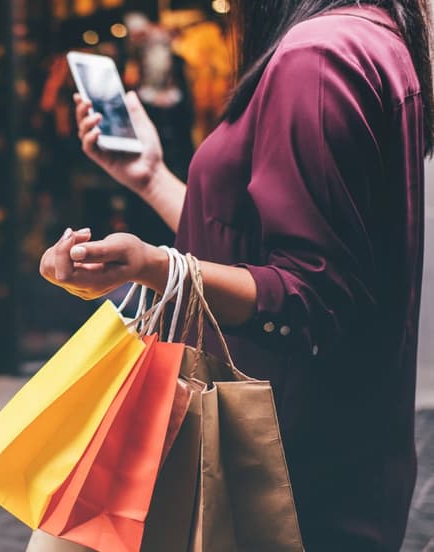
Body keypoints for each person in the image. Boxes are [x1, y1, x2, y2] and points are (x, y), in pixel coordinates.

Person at [38, 0, 432, 550]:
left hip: (274, 475)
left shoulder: (317, 57)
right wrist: (150, 178)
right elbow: (258, 247)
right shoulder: (370, 38)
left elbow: (307, 296)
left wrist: (158, 266)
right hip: (326, 468)